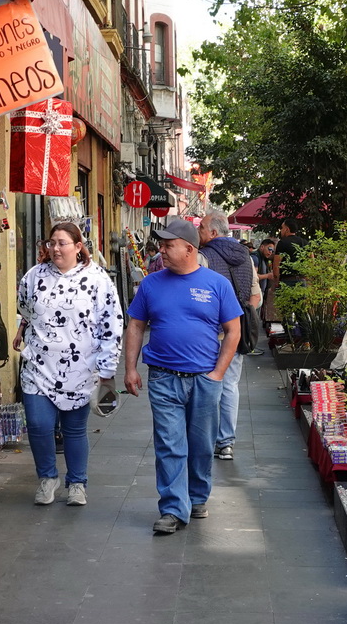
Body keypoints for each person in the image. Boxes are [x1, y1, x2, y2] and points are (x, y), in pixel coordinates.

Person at [124, 216, 242, 535]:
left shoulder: (216, 284)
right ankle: (174, 508)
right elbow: (136, 326)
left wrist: (218, 373)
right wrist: (131, 368)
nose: (161, 250)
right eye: (161, 245)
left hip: (204, 379)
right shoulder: (151, 284)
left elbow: (233, 330)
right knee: (169, 444)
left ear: (189, 249)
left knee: (201, 444)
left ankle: (197, 496)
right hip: (163, 378)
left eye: (168, 245)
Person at [13, 222, 122, 507]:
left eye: (62, 243)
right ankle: (47, 478)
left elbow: (111, 324)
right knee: (38, 425)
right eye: (52, 243)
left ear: (78, 246)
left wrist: (107, 369)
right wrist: (22, 329)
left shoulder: (97, 279)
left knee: (74, 430)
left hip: (80, 369)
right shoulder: (34, 276)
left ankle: (77, 483)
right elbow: (25, 308)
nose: (56, 249)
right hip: (38, 366)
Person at [198, 213, 257, 459]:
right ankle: (226, 442)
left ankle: (207, 438)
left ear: (213, 233)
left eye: (201, 227)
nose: (199, 231)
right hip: (236, 331)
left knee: (207, 384)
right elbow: (255, 297)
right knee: (230, 385)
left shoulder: (203, 257)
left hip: (209, 334)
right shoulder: (246, 257)